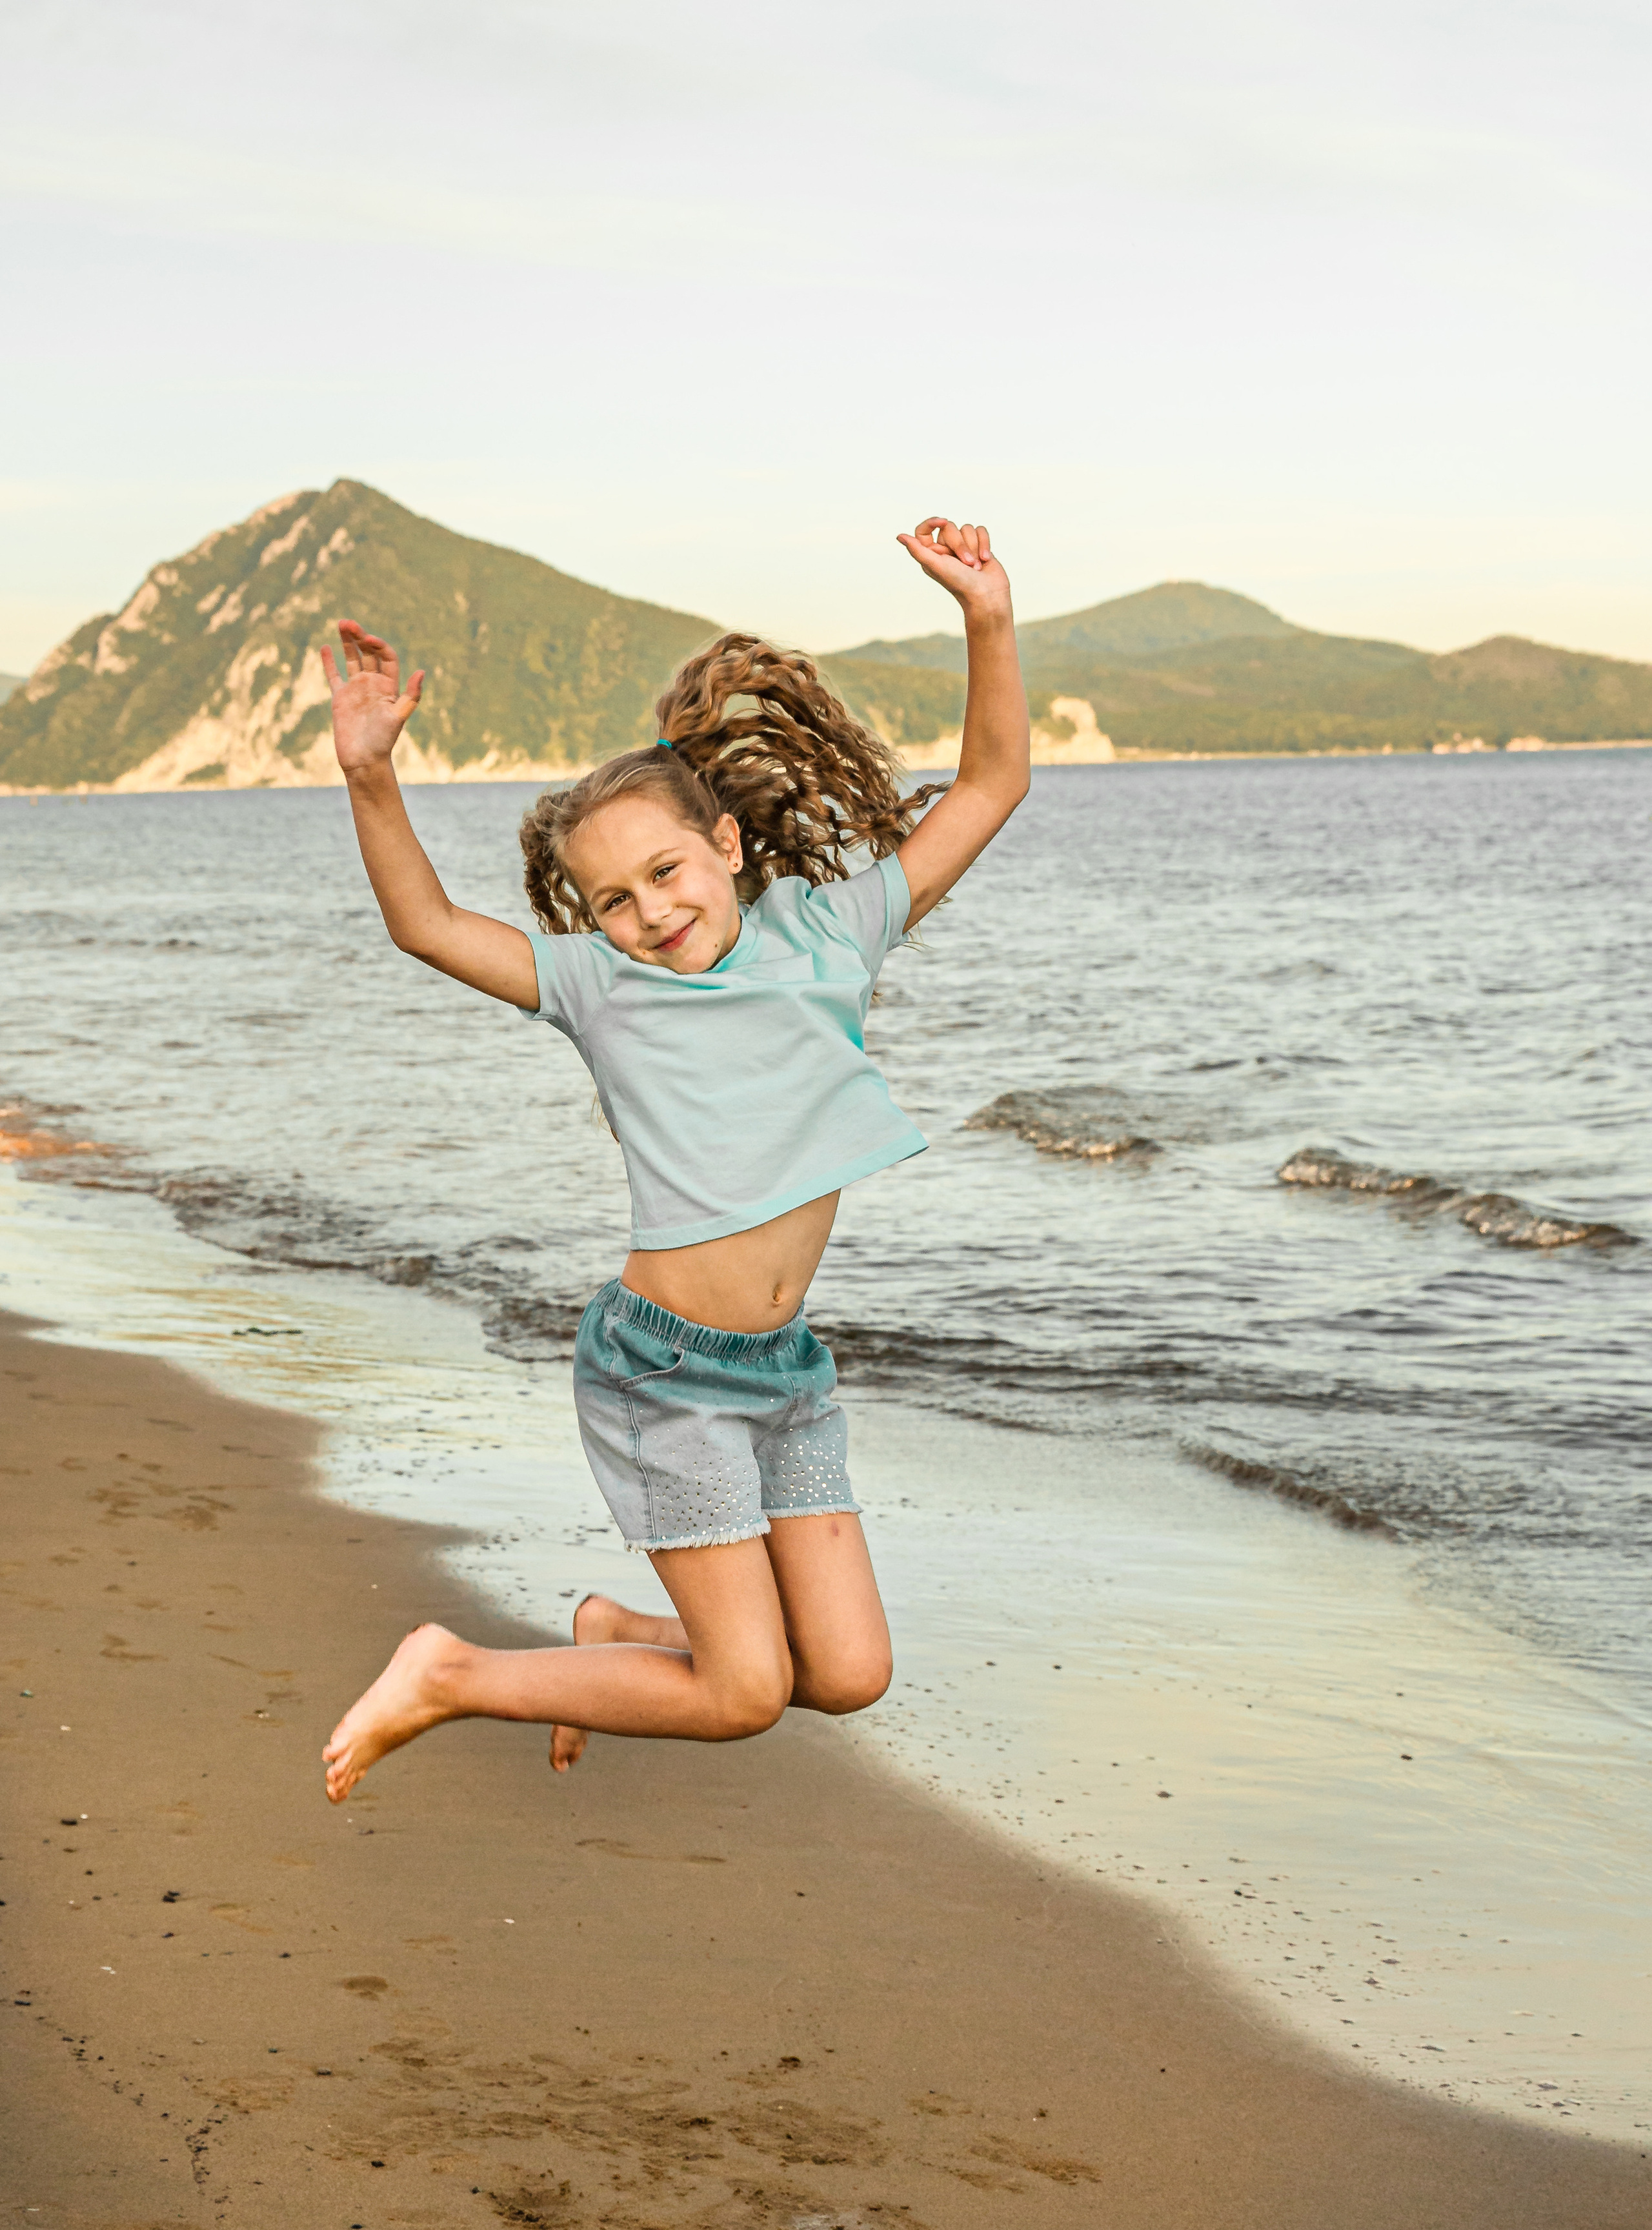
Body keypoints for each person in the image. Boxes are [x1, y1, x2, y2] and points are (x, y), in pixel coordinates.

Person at [320, 517, 1029, 1803]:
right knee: (746, 1692)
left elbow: (986, 788)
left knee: (848, 1671)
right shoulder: (600, 988)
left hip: (784, 1370)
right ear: (586, 922)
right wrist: (372, 774)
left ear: (729, 848)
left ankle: (618, 1637)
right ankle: (449, 1670)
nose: (649, 914)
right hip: (662, 1369)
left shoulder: (832, 934)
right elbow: (424, 926)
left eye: (664, 873)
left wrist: (985, 615)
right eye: (612, 902)